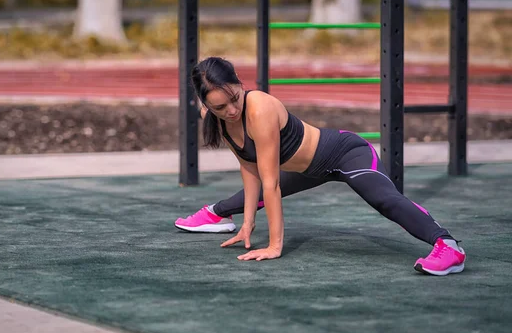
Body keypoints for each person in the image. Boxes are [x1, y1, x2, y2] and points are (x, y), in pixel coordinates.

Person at [175, 56, 466, 276]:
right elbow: (249, 170)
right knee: (249, 192)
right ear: (206, 105)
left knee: (385, 201)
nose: (231, 110)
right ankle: (216, 215)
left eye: (234, 99)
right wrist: (248, 224)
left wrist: (275, 246)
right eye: (219, 108)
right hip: (307, 170)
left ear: (240, 83)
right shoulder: (221, 121)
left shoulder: (259, 109)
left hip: (344, 153)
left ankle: (448, 247)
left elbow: (271, 184)